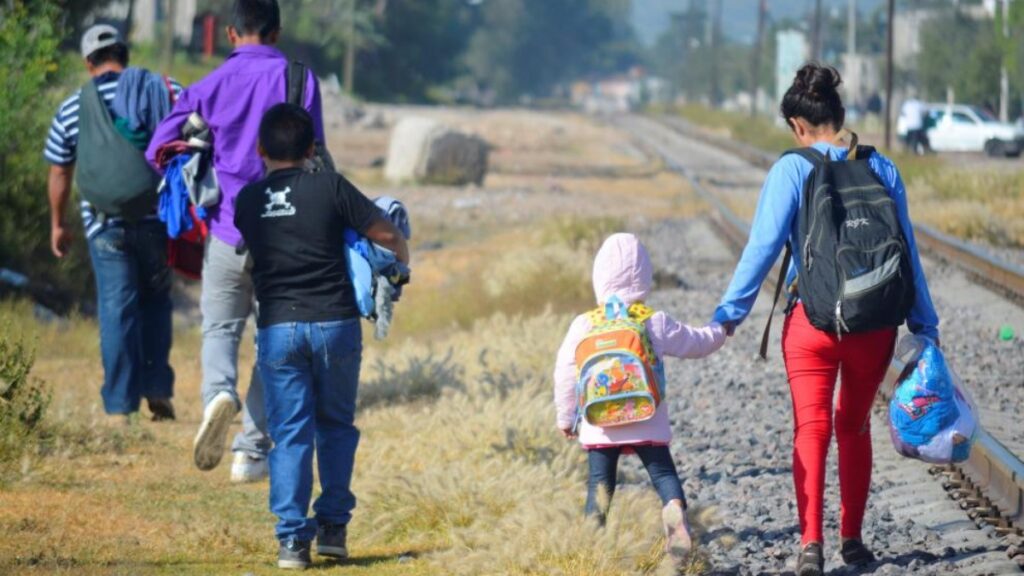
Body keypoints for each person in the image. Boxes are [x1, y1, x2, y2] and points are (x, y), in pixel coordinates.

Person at [712, 64, 940, 576]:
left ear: (797, 124)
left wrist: (729, 315)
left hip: (812, 325)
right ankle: (853, 539)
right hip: (874, 326)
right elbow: (909, 252)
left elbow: (762, 249)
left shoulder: (791, 168)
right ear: (840, 115)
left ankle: (811, 544)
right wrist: (925, 324)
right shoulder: (883, 168)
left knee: (811, 429)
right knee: (854, 428)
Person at [147, 0, 327, 482]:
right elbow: (317, 154)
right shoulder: (300, 80)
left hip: (228, 230)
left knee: (220, 329)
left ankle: (217, 396)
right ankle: (250, 450)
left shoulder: (210, 86)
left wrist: (201, 148)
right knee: (275, 341)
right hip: (286, 239)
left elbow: (158, 148)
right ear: (277, 31)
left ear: (229, 33)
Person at [234, 103, 409, 570]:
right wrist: (401, 261)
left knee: (290, 434)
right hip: (335, 325)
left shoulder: (246, 201)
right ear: (312, 149)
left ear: (259, 149)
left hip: (279, 329)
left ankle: (293, 542)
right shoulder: (331, 187)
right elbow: (387, 235)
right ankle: (332, 529)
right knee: (335, 426)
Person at [553, 233, 727, 563]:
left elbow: (564, 372)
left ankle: (591, 546)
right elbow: (697, 343)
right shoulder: (652, 321)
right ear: (645, 277)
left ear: (598, 277)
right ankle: (674, 510)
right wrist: (721, 329)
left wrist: (565, 418)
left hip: (599, 423)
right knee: (663, 475)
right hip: (647, 418)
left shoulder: (584, 324)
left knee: (599, 485)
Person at [45, 24, 180, 424]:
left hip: (104, 224)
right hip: (158, 219)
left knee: (117, 310)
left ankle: (120, 406)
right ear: (125, 54)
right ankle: (156, 387)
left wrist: (58, 224)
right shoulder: (162, 89)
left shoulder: (73, 105)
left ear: (89, 63)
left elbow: (59, 171)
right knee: (156, 302)